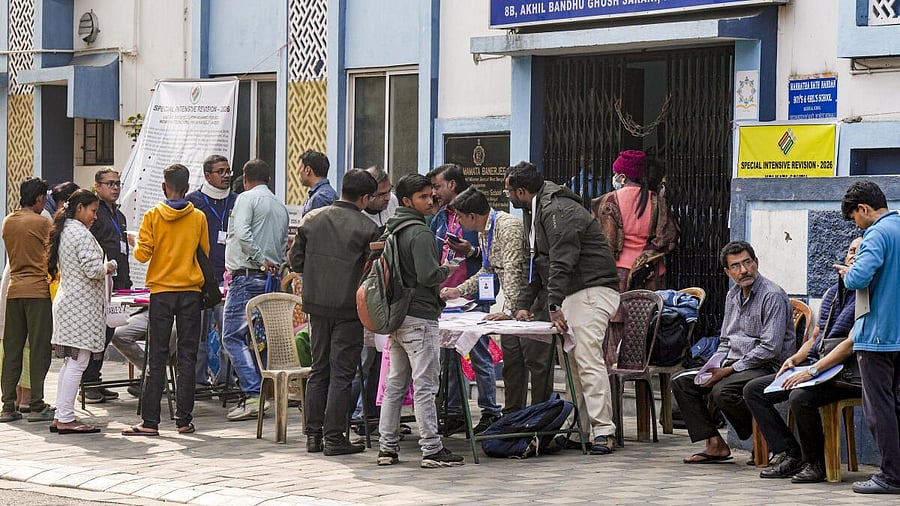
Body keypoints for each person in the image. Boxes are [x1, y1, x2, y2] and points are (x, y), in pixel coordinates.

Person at [504, 161, 621, 455]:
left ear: (521, 191)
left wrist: (553, 304)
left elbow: (561, 260)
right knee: (572, 365)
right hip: (574, 292)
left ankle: (603, 431)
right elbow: (539, 264)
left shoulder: (556, 210)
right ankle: (580, 429)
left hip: (591, 289)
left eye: (509, 191)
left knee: (587, 360)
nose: (508, 197)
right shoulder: (538, 209)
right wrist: (524, 304)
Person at [744, 237, 861, 483]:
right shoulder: (833, 292)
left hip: (848, 374)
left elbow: (850, 345)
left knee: (800, 397)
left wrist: (811, 371)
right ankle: (791, 454)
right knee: (754, 390)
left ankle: (815, 464)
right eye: (851, 250)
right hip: (820, 367)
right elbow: (816, 337)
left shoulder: (868, 293)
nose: (852, 256)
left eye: (860, 252)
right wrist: (795, 360)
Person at [672, 240, 795, 464]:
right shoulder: (732, 296)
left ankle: (764, 439)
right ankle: (715, 444)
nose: (743, 270)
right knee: (682, 381)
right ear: (727, 272)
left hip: (768, 366)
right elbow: (725, 340)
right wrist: (714, 365)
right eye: (736, 266)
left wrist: (728, 370)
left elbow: (770, 349)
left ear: (756, 263)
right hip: (733, 365)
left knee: (722, 390)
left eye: (747, 262)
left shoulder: (772, 295)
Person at [377, 173, 465, 468]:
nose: (430, 201)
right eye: (423, 197)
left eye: (431, 195)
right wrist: (447, 269)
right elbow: (428, 276)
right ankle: (431, 448)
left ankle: (387, 448)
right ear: (406, 201)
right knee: (425, 385)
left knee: (395, 385)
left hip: (398, 316)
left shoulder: (393, 228)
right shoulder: (420, 232)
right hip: (420, 315)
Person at [290, 169, 380, 456]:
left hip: (316, 306)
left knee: (319, 369)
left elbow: (296, 261)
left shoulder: (312, 220)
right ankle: (334, 437)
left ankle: (313, 435)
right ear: (365, 198)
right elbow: (372, 273)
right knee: (342, 372)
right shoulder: (368, 229)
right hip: (349, 309)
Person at [441, 187, 554, 416]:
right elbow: (488, 269)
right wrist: (458, 291)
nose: (459, 223)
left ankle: (541, 417)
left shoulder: (507, 226)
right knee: (512, 361)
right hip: (512, 304)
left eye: (460, 217)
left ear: (472, 216)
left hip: (529, 301)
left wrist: (510, 310)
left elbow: (513, 270)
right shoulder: (484, 231)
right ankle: (513, 416)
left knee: (536, 360)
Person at [123, 164, 209, 436]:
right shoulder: (198, 217)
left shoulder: (153, 216)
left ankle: (150, 422)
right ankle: (184, 419)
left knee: (157, 355)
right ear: (187, 187)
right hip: (190, 292)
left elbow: (142, 255)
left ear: (163, 186)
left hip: (161, 292)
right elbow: (204, 252)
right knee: (187, 355)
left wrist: (136, 241)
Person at [428, 163, 501, 435]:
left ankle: (490, 410)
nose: (433, 193)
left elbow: (491, 258)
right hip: (446, 294)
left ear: (452, 185)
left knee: (478, 353)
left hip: (473, 293)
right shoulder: (440, 217)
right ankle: (454, 410)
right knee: (448, 355)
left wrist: (471, 252)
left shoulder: (477, 214)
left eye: (437, 186)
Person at [838, 181, 900, 494]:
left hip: (877, 335)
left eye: (855, 218)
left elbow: (859, 277)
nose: (857, 226)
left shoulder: (876, 233)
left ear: (864, 208)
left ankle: (891, 476)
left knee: (879, 409)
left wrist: (847, 272)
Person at [222, 159, 289, 421]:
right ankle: (260, 394)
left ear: (245, 178)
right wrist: (271, 263)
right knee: (257, 339)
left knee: (232, 336)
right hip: (268, 279)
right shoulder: (279, 205)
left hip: (248, 276)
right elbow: (283, 243)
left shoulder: (246, 199)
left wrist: (261, 260)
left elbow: (242, 233)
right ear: (269, 179)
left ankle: (252, 394)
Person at [47, 189, 117, 434]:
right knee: (78, 363)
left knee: (72, 362)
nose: (95, 216)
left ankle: (61, 415)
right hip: (80, 308)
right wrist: (109, 265)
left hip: (71, 304)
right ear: (79, 209)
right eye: (93, 211)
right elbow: (93, 270)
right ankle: (66, 417)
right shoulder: (80, 234)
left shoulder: (67, 230)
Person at [0, 178, 54, 423]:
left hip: (14, 291)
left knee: (12, 350)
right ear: (40, 199)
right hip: (37, 292)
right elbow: (52, 254)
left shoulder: (8, 221)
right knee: (39, 350)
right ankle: (36, 404)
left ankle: (7, 406)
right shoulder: (42, 222)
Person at [593, 150, 678, 292]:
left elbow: (603, 241)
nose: (614, 177)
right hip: (651, 272)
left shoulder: (608, 201)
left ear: (622, 177)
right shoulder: (657, 201)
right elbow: (669, 237)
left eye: (615, 173)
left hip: (619, 272)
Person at [82, 169, 133, 404]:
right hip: (100, 282)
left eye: (118, 183)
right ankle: (88, 384)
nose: (115, 188)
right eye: (110, 183)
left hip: (119, 282)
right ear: (97, 186)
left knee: (108, 332)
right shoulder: (95, 214)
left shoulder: (119, 215)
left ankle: (96, 379)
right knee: (96, 334)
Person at [186, 155, 236, 387]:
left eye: (228, 171)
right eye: (220, 171)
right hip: (201, 278)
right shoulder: (193, 202)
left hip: (229, 278)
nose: (226, 176)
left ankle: (226, 381)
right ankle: (198, 382)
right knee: (199, 336)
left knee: (228, 334)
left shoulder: (237, 200)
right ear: (207, 175)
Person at [300, 150, 336, 214]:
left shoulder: (320, 197)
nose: (299, 172)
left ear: (307, 170)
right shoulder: (323, 193)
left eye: (300, 168)